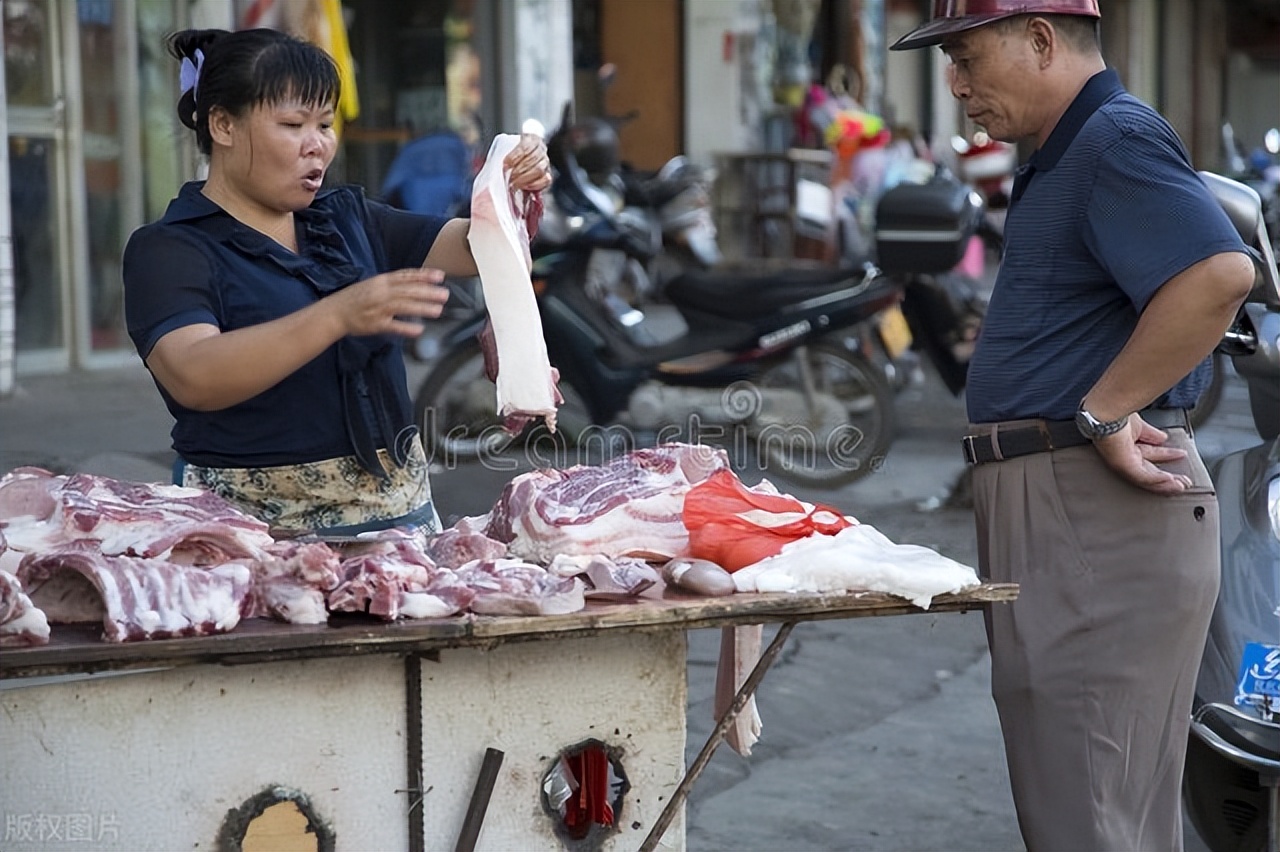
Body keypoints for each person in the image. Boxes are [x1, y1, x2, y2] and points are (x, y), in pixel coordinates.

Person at [891, 3, 1256, 851]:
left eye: (968, 57)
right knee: (1093, 814)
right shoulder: (1072, 149)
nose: (957, 84)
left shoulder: (1113, 139)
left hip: (1092, 511)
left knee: (1093, 821)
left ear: (1043, 40)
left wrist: (1104, 408)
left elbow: (1217, 275)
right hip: (1070, 510)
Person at [122, 28, 551, 536]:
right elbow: (194, 374)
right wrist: (339, 314)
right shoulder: (171, 248)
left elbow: (474, 245)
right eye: (292, 123)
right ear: (222, 125)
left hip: (403, 525)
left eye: (324, 124)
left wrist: (511, 184)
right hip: (257, 541)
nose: (317, 145)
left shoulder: (345, 217)